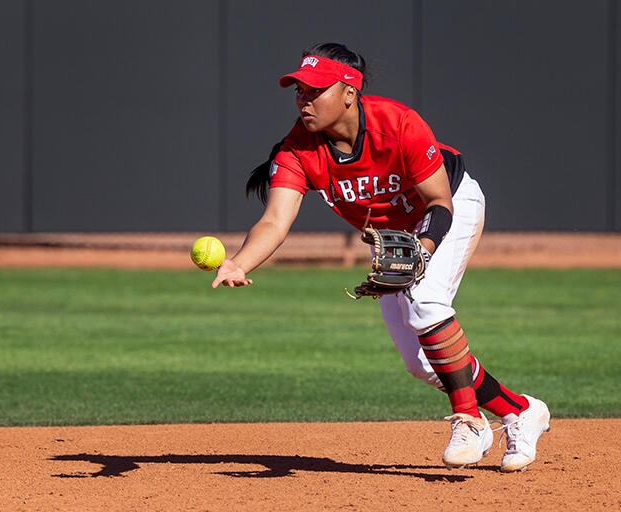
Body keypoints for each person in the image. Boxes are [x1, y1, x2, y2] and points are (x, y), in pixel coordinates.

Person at [212, 42, 550, 472]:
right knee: (423, 363)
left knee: (427, 304)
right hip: (395, 236)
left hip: (449, 207)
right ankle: (520, 410)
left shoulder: (398, 124)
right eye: (298, 90)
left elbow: (439, 202)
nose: (304, 99)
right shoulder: (297, 150)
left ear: (349, 92)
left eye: (315, 90)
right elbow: (274, 222)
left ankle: (468, 419)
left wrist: (421, 255)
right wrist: (241, 262)